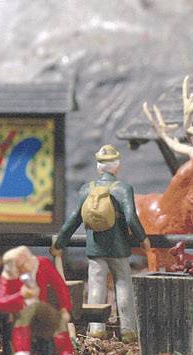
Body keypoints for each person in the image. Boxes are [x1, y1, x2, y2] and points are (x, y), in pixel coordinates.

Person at [54, 144, 144, 337]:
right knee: (123, 285)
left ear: (98, 167)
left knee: (96, 285)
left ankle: (96, 328)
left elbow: (73, 219)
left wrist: (60, 242)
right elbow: (130, 217)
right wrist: (142, 238)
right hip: (118, 248)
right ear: (117, 166)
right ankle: (128, 330)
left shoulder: (87, 189)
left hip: (95, 247)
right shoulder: (122, 188)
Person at [0, 244, 85, 355]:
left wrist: (65, 308)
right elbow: (1, 302)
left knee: (58, 322)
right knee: (23, 320)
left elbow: (60, 287)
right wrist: (20, 295)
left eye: (25, 263)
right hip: (20, 310)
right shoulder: (9, 275)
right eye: (19, 267)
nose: (24, 268)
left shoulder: (42, 264)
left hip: (40, 307)